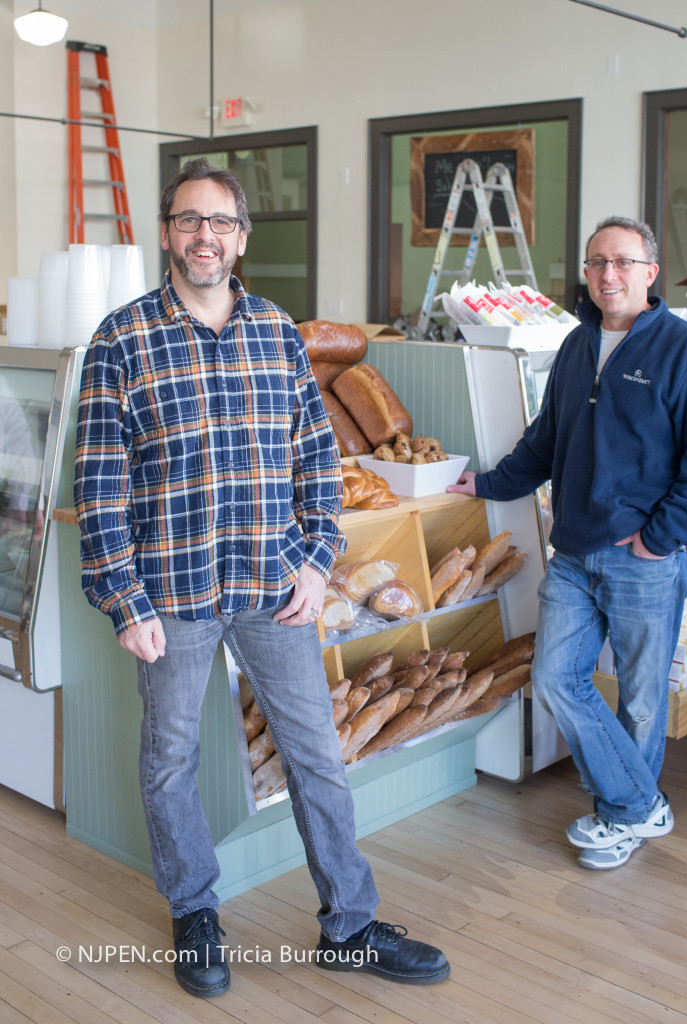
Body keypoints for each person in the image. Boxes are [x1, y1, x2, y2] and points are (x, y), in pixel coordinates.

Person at [74, 157, 450, 997]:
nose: (203, 236)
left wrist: (318, 563)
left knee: (316, 752)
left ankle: (348, 925)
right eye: (187, 220)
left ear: (241, 238)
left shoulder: (277, 331)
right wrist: (122, 600)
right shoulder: (120, 339)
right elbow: (97, 485)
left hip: (272, 587)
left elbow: (317, 459)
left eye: (219, 222)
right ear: (166, 232)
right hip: (168, 593)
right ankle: (194, 911)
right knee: (169, 757)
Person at [449, 216, 687, 871]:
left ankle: (620, 817)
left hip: (644, 559)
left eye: (622, 262)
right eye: (596, 263)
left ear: (648, 272)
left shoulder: (686, 350)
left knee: (639, 698)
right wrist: (487, 484)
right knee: (555, 678)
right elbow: (546, 440)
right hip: (574, 552)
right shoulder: (577, 344)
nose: (608, 274)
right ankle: (636, 804)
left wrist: (661, 538)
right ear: (585, 273)